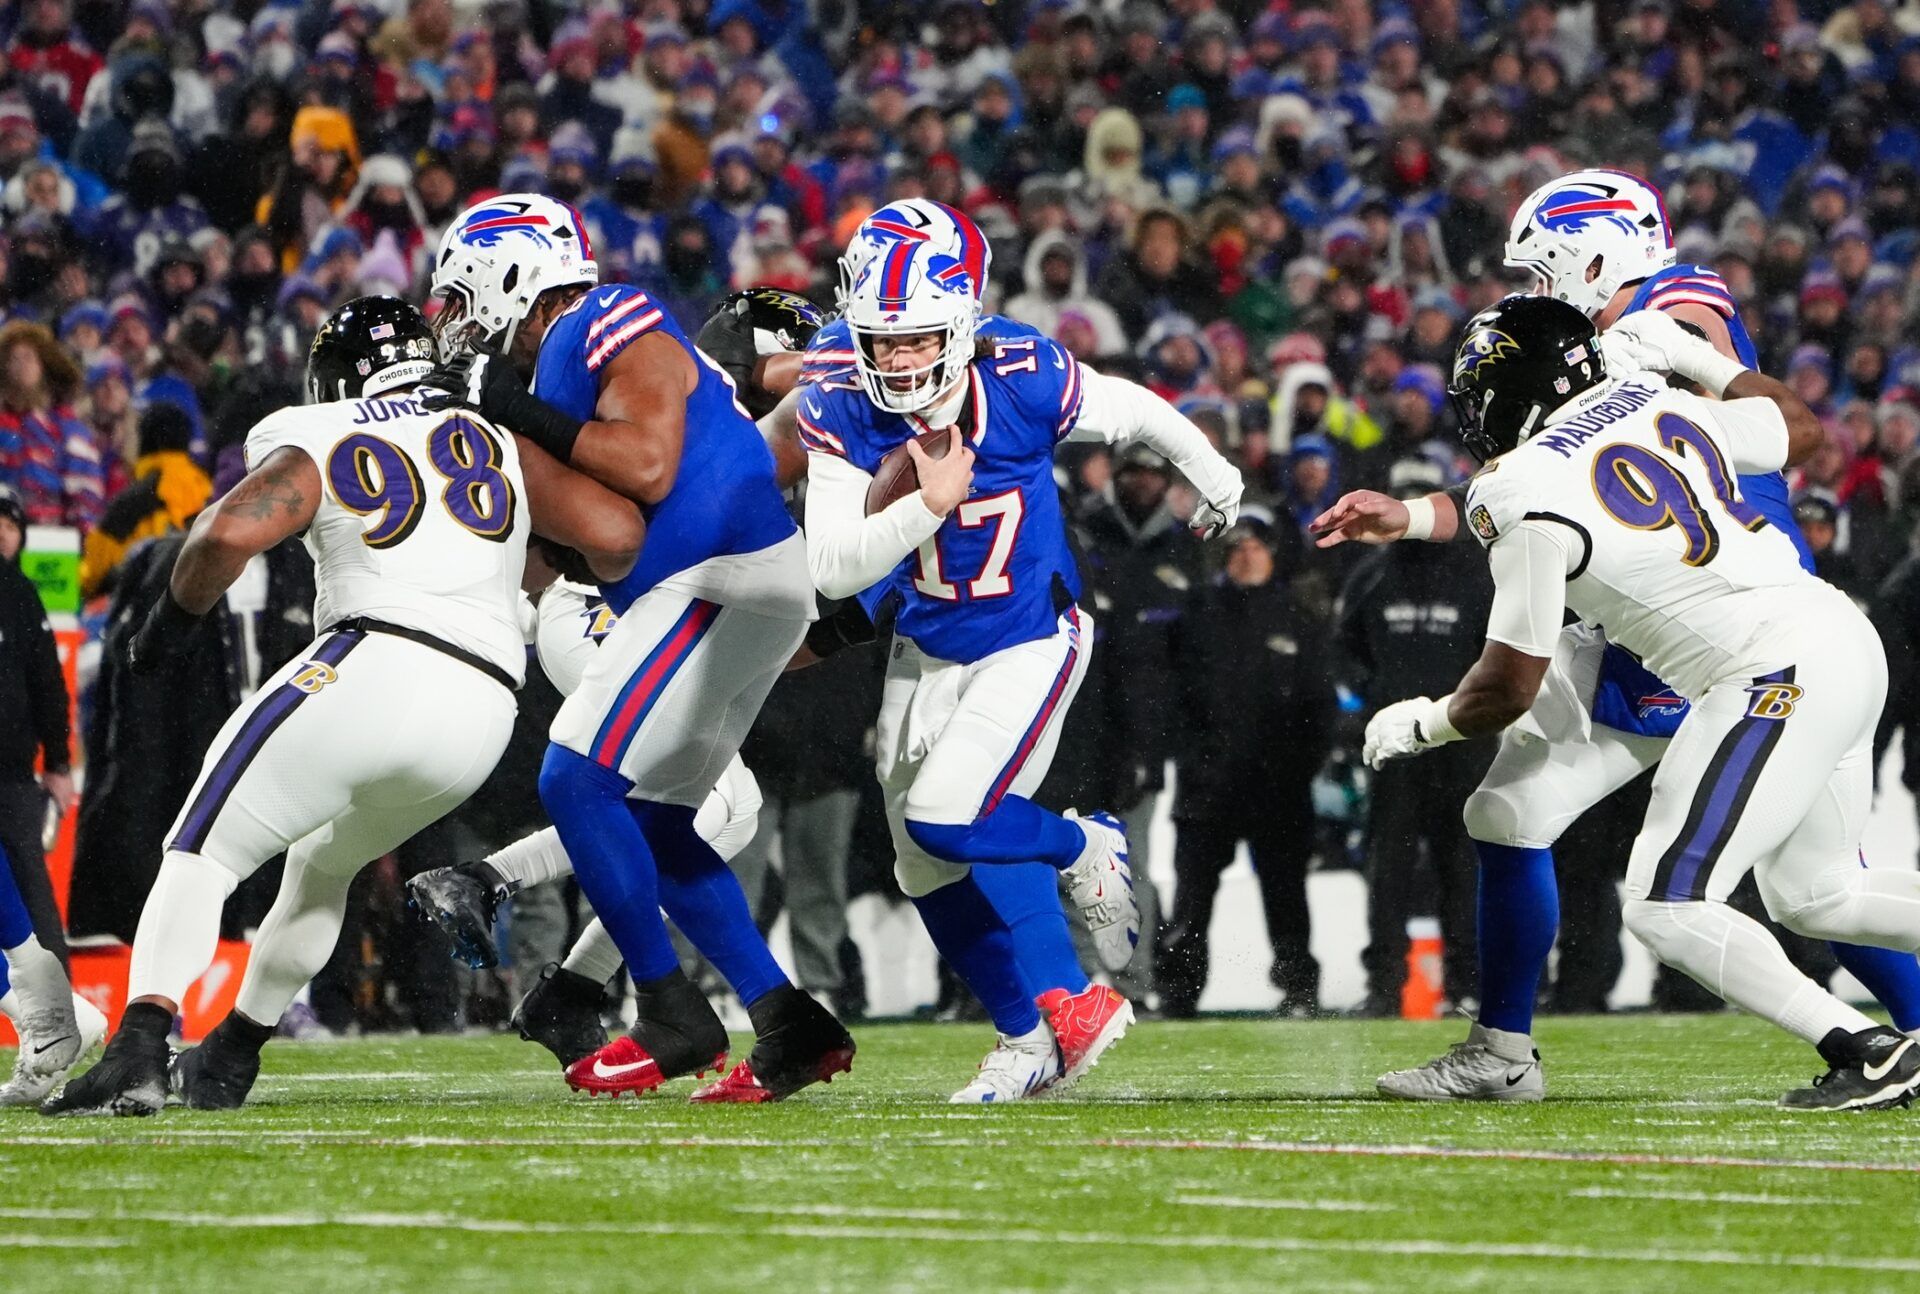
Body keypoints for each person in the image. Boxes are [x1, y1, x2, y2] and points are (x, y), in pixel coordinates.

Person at [1315, 169, 1920, 1100]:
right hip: (1739, 619)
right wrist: (1413, 515)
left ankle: (1879, 1045)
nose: (1536, 293)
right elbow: (1565, 470)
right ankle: (1503, 1053)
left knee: (1680, 895)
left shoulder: (1670, 312)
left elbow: (1537, 511)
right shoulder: (1621, 388)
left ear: (1595, 255)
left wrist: (1428, 721)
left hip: (1708, 637)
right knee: (1802, 883)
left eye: (1542, 271)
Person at [43, 297, 641, 1116]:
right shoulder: (497, 438)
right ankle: (232, 1050)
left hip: (377, 661)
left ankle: (141, 1044)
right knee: (324, 863)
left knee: (202, 848)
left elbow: (223, 534)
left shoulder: (323, 428)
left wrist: (167, 626)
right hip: (484, 709)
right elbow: (613, 535)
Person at [421, 196, 856, 1104]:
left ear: (514, 272)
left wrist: (504, 406)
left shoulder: (602, 313)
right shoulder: (554, 361)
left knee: (574, 781)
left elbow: (649, 467)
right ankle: (789, 1020)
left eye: (463, 295)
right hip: (724, 581)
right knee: (658, 823)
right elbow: (604, 528)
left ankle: (667, 1007)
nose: (457, 322)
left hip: (715, 572)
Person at [796, 224, 1243, 1100]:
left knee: (951, 815)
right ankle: (1030, 1034)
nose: (896, 357)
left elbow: (1138, 410)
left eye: (918, 335)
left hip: (1029, 637)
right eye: (881, 336)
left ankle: (1082, 848)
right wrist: (929, 505)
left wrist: (1216, 478)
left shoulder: (1020, 373)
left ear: (963, 321)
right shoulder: (839, 392)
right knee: (922, 866)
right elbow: (835, 566)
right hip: (924, 644)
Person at [1159, 515, 1335, 1017]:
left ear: (1274, 554)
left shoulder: (1299, 616)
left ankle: (1300, 989)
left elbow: (1319, 703)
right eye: (1238, 546)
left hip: (1278, 785)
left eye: (1258, 545)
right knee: (1192, 899)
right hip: (1207, 784)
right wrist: (1191, 755)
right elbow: (1171, 695)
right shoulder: (1195, 613)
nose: (1248, 554)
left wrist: (1301, 765)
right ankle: (1179, 993)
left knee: (1286, 894)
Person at [1338, 459, 1495, 1015]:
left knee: (1463, 866)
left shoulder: (1478, 573)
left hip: (1464, 743)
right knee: (1390, 868)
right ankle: (1385, 986)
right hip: (1394, 747)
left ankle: (1468, 987)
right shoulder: (1371, 574)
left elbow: (1498, 650)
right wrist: (1365, 707)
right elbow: (1345, 651)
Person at [0, 482, 106, 1104]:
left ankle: (52, 1017)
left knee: (28, 891)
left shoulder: (16, 589)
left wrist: (57, 761)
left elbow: (45, 681)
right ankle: (54, 1016)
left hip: (11, 771)